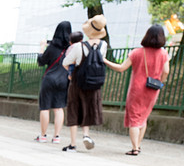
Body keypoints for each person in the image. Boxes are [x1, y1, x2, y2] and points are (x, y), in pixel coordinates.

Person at [105, 25, 170, 155]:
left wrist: (104, 60)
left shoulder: (137, 52)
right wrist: (160, 81)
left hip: (137, 89)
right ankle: (138, 145)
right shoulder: (164, 54)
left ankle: (134, 148)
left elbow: (121, 68)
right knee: (143, 117)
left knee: (134, 118)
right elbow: (166, 71)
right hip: (153, 89)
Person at [61, 15, 108, 152]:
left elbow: (65, 62)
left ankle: (73, 144)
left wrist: (70, 73)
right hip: (94, 83)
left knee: (74, 109)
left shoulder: (78, 46)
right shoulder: (103, 45)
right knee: (87, 108)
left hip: (78, 82)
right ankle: (86, 135)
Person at [35, 21, 72, 143]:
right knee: (58, 108)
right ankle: (56, 136)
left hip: (49, 79)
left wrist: (42, 47)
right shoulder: (70, 49)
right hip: (63, 80)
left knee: (45, 107)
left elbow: (41, 61)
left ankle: (43, 135)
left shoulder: (52, 47)